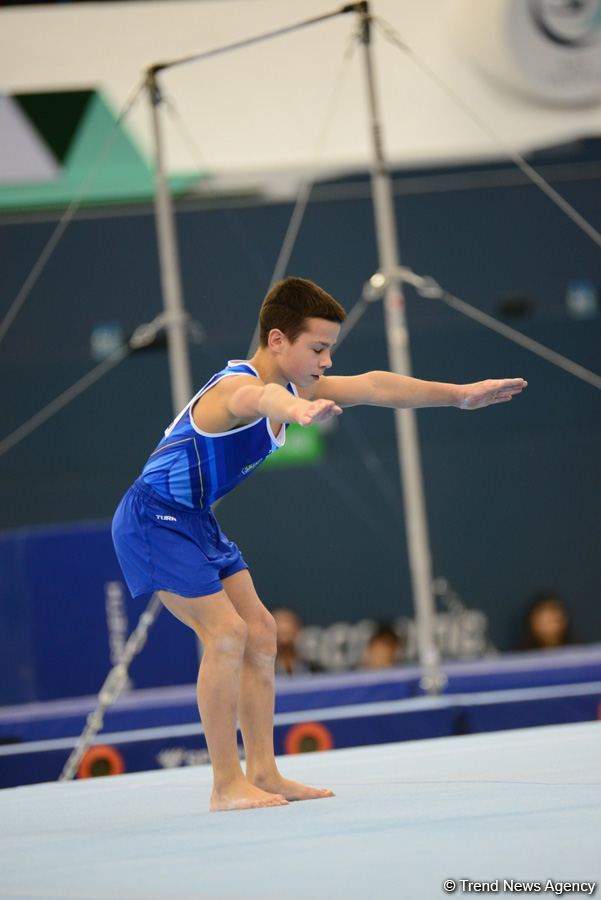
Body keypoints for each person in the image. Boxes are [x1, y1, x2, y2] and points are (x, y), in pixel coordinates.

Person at [111, 276, 527, 812]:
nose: (327, 362)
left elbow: (376, 386)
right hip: (152, 520)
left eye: (330, 349)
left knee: (261, 632)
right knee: (228, 633)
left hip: (193, 518)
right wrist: (295, 412)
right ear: (278, 339)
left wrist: (460, 396)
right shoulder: (236, 389)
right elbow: (256, 397)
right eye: (319, 348)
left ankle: (262, 771)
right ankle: (224, 783)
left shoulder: (294, 385)